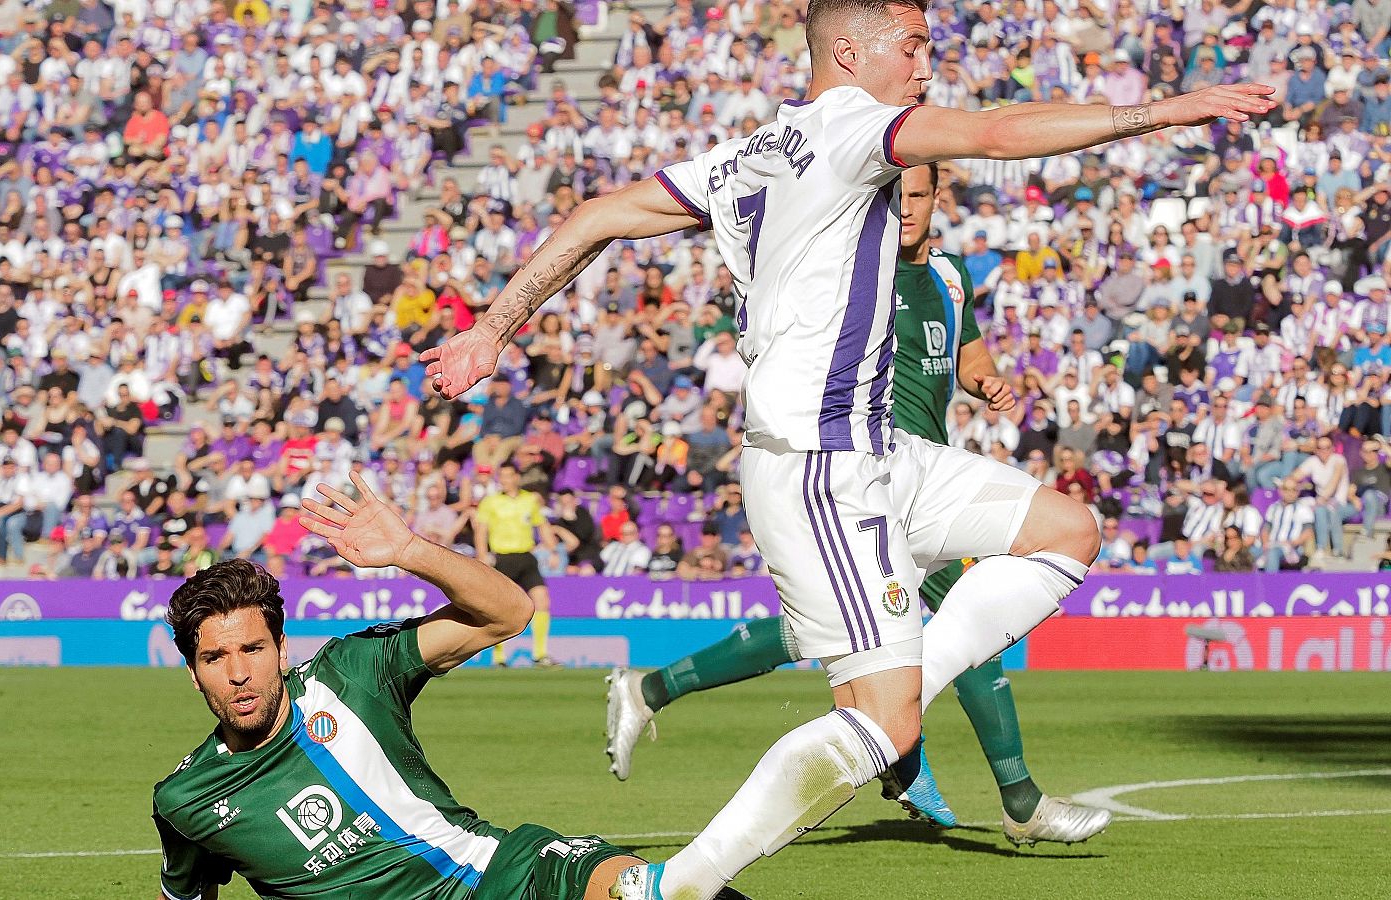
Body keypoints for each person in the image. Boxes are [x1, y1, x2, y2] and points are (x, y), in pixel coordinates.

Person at [418, 2, 1270, 894]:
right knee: (885, 727)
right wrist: (1158, 111)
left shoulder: (747, 153)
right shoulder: (853, 126)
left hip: (881, 449)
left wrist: (492, 330)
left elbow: (600, 213)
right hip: (820, 464)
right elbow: (996, 132)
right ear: (852, 52)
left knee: (1068, 530)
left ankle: (911, 668)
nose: (927, 66)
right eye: (914, 47)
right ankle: (669, 889)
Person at [601, 165, 1111, 844]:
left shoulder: (953, 277)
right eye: (894, 195)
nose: (904, 208)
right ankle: (1010, 796)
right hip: (862, 481)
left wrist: (986, 380)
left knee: (813, 634)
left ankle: (654, 691)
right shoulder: (853, 264)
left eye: (920, 196)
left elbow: (965, 354)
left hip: (927, 479)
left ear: (938, 201)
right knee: (967, 633)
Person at [150, 480, 750, 900]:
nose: (237, 673)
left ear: (282, 649)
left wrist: (410, 551)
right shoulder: (187, 800)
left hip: (500, 876)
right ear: (192, 671)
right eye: (215, 657)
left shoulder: (351, 673)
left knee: (646, 892)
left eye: (253, 649)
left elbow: (508, 614)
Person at [472, 462, 558, 667]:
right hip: (503, 557)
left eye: (508, 476)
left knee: (542, 599)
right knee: (500, 607)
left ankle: (540, 654)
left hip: (526, 556)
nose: (504, 480)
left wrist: (552, 550)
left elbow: (541, 525)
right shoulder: (490, 502)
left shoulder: (529, 500)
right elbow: (481, 530)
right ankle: (499, 656)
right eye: (501, 476)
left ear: (517, 477)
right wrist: (482, 555)